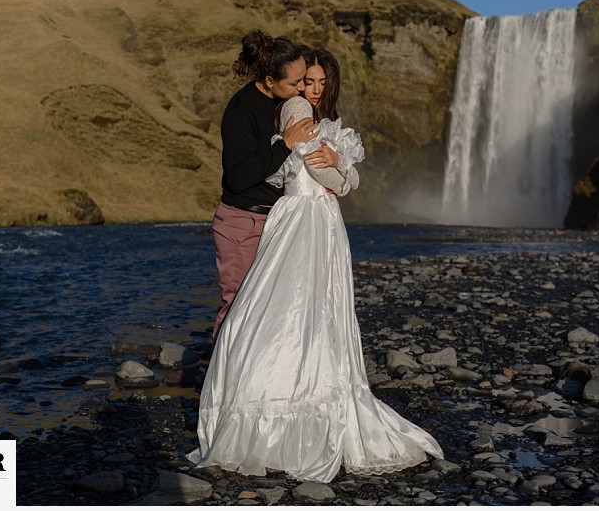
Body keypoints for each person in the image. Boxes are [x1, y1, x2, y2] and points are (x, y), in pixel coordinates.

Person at [189, 47, 443, 483]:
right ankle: (265, 407)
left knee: (309, 314)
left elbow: (343, 177)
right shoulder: (295, 108)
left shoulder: (308, 110)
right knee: (283, 312)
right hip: (304, 218)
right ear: (287, 82)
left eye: (321, 82)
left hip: (315, 222)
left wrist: (341, 168)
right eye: (307, 80)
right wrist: (338, 171)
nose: (312, 89)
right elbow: (321, 173)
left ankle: (281, 400)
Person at [212, 30, 315, 340]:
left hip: (275, 219)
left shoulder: (285, 102)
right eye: (295, 83)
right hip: (243, 223)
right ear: (270, 81)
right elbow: (238, 177)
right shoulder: (242, 110)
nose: (302, 88)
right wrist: (284, 143)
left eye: (303, 80)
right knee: (237, 306)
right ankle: (220, 385)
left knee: (269, 306)